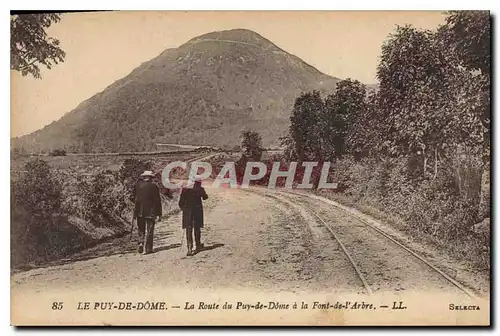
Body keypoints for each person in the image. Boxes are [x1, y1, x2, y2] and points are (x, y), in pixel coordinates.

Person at [134, 170, 162, 254]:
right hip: (150, 211)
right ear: (150, 178)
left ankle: (141, 242)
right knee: (150, 229)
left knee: (141, 229)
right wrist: (159, 213)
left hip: (139, 210)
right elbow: (157, 200)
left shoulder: (138, 185)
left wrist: (136, 207)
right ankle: (148, 248)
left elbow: (133, 197)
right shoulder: (154, 186)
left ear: (144, 177)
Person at [178, 179, 208, 256]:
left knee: (189, 229)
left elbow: (180, 202)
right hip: (197, 211)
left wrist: (184, 208)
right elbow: (205, 197)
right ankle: (198, 245)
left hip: (187, 212)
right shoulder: (200, 188)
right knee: (197, 228)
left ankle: (189, 248)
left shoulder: (185, 189)